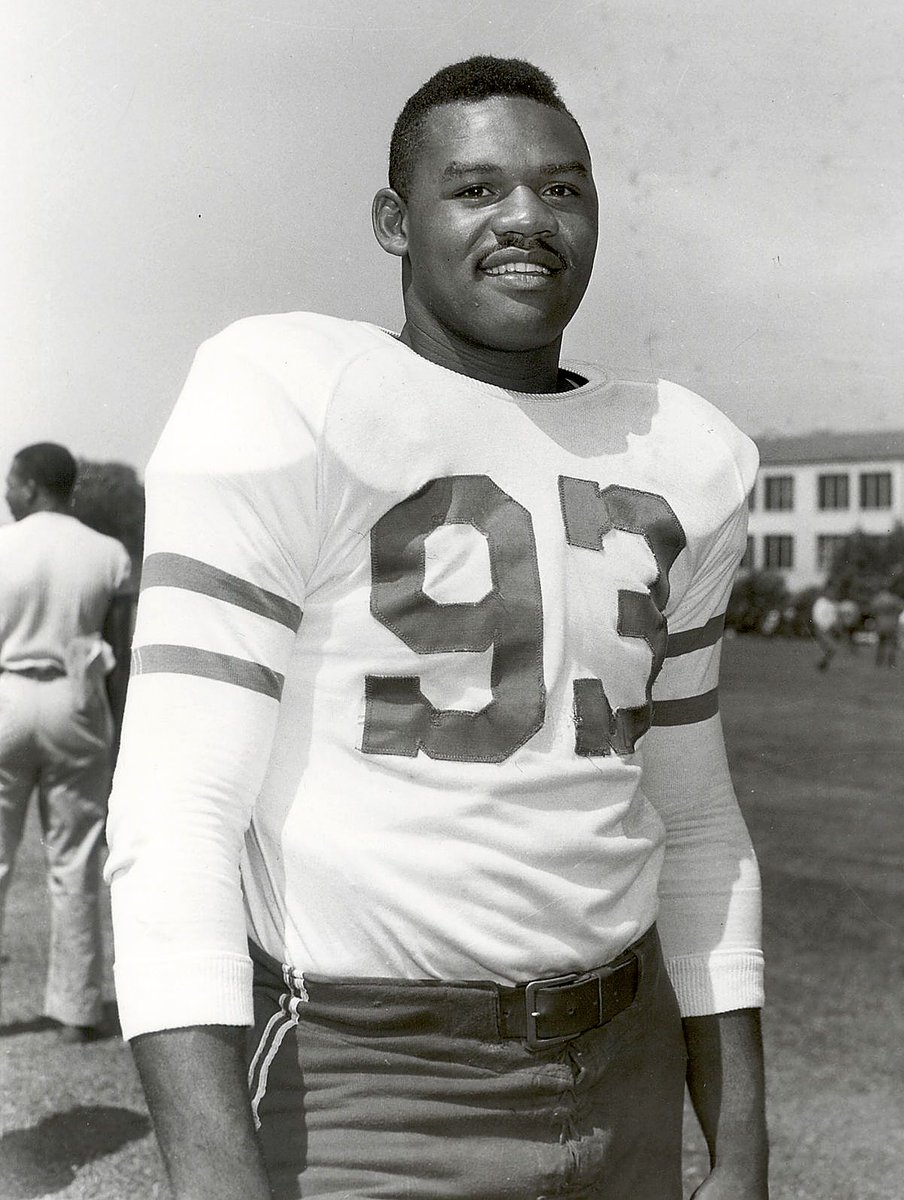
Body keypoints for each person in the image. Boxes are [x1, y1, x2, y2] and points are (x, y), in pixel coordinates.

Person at [106, 57, 768, 1199]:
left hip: (628, 1062)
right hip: (372, 1077)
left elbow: (696, 817)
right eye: (476, 189)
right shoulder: (288, 390)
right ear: (394, 222)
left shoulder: (688, 452)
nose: (527, 218)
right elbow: (177, 811)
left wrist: (743, 1145)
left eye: (563, 189)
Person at [0, 443, 131, 1042]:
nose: (6, 492)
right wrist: (122, 732)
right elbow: (119, 653)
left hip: (8, 694)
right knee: (74, 860)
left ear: (29, 486)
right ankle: (77, 1011)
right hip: (76, 698)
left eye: (10, 482)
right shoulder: (108, 552)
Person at [871, 587, 902, 668]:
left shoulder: (878, 599)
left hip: (881, 622)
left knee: (881, 643)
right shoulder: (893, 598)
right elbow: (900, 609)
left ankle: (879, 662)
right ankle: (891, 663)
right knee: (891, 643)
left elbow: (873, 609)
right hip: (891, 622)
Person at [810, 593, 838, 671]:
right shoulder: (821, 603)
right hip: (822, 629)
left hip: (828, 630)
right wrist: (821, 626)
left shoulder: (831, 603)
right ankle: (821, 665)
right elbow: (817, 615)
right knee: (831, 648)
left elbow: (833, 616)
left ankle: (822, 665)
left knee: (831, 649)